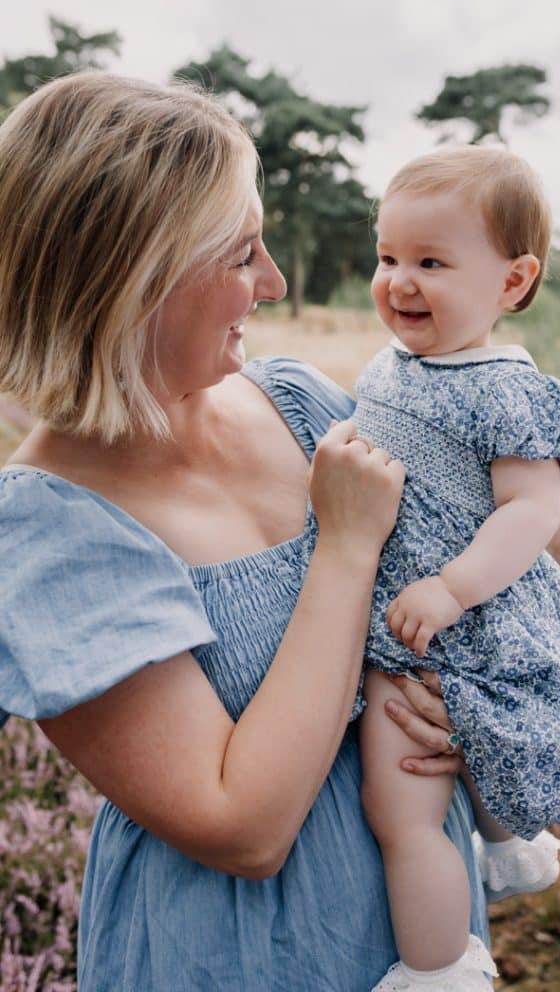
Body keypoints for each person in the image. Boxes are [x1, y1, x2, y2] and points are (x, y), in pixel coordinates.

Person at [0, 72, 491, 992]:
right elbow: (243, 827)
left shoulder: (300, 403)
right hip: (244, 964)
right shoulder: (44, 536)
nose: (271, 284)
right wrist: (343, 549)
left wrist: (476, 716)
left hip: (424, 937)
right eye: (238, 256)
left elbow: (452, 589)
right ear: (126, 279)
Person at [325, 147, 560, 991]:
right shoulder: (393, 365)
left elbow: (530, 513)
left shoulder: (502, 392)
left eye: (430, 263)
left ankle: (436, 968)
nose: (398, 281)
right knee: (447, 772)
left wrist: (451, 588)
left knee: (399, 809)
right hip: (409, 606)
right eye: (388, 257)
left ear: (512, 284)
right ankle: (509, 841)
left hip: (453, 623)